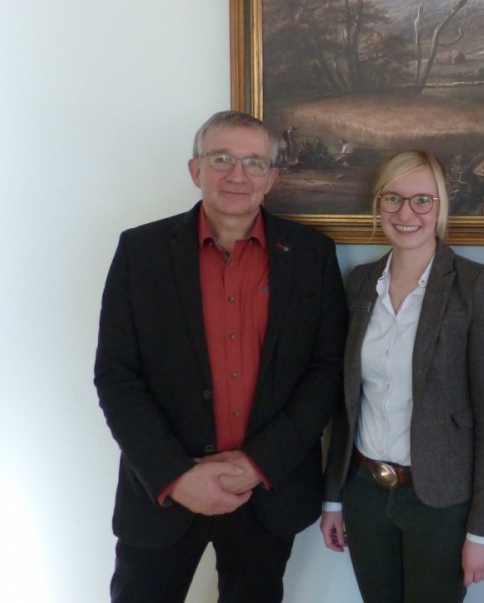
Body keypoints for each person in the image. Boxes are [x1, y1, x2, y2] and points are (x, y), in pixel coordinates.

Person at [94, 110, 347, 603]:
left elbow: (326, 373)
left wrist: (259, 463)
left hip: (265, 493)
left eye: (254, 162)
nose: (238, 174)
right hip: (164, 493)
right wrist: (176, 475)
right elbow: (117, 378)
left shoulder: (312, 254)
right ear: (196, 170)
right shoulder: (140, 252)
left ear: (272, 177)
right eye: (222, 158)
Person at [319, 150, 484, 603]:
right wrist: (333, 498)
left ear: (440, 206)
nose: (406, 213)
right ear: (378, 204)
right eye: (393, 199)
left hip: (440, 503)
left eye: (422, 199)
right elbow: (345, 403)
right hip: (364, 494)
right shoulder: (360, 284)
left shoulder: (475, 285)